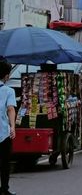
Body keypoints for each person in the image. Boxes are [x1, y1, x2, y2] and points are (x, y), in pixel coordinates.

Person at [0, 59, 15, 195]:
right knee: (4, 162)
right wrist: (13, 127)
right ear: (6, 76)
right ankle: (4, 189)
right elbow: (10, 109)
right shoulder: (9, 91)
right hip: (3, 133)